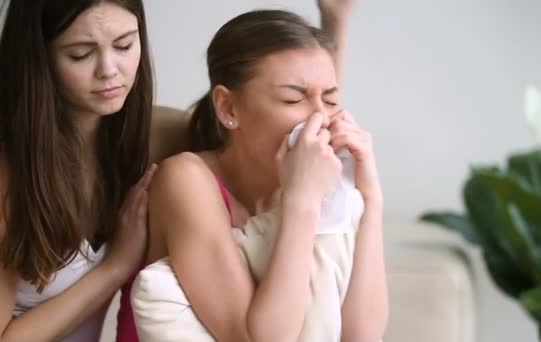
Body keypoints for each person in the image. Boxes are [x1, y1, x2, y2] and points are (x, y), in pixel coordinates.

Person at [139, 6, 388, 342]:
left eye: (330, 100)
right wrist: (301, 204)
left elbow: (360, 337)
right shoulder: (185, 179)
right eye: (292, 99)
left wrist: (371, 200)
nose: (319, 118)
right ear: (228, 108)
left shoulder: (323, 184)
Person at [0, 1, 156, 341]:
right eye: (81, 54)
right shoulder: (9, 175)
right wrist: (116, 267)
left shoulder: (143, 137)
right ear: (38, 58)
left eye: (124, 45)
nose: (109, 70)